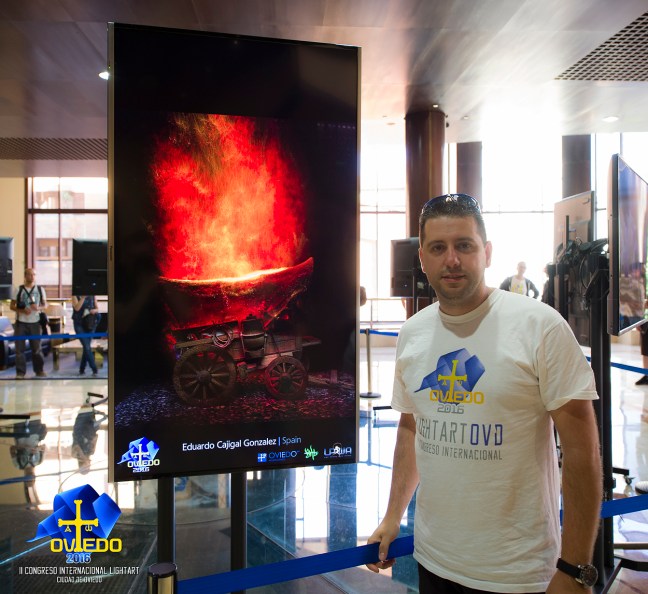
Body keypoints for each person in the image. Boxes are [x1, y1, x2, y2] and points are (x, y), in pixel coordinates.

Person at [366, 194, 602, 593]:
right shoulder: (414, 333)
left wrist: (575, 568)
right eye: (438, 248)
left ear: (487, 252)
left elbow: (582, 451)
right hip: (433, 560)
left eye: (464, 245)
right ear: (422, 258)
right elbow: (411, 427)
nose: (451, 260)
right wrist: (393, 516)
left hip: (518, 574)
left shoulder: (539, 326)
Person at [9, 268, 47, 378]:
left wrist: (38, 308)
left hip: (35, 323)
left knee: (37, 349)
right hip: (21, 323)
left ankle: (39, 370)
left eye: (34, 274)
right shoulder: (19, 289)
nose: (32, 277)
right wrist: (22, 310)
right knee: (19, 350)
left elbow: (45, 305)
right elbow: (12, 306)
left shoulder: (40, 289)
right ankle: (20, 373)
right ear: (25, 276)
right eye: (30, 274)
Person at [71, 295, 100, 376]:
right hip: (79, 324)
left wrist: (94, 310)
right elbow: (77, 308)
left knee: (86, 347)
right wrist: (83, 298)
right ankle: (94, 369)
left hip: (90, 323)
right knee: (87, 346)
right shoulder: (75, 295)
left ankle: (82, 369)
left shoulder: (92, 295)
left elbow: (97, 308)